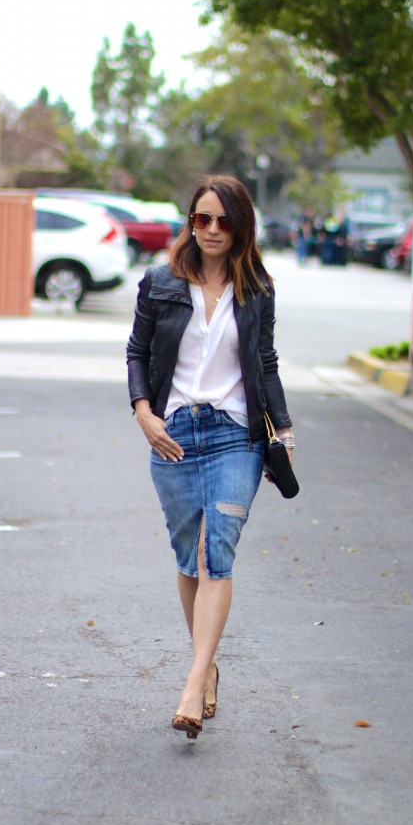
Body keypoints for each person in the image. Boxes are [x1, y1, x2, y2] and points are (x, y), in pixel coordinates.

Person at [126, 175, 294, 741]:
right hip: (173, 433)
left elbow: (264, 361)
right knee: (186, 555)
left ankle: (193, 684)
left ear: (241, 225)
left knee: (216, 550)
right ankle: (210, 662)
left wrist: (284, 425)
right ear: (190, 222)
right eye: (203, 219)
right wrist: (144, 413)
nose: (213, 230)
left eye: (224, 221)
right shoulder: (160, 282)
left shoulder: (258, 289)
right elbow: (137, 352)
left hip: (233, 434)